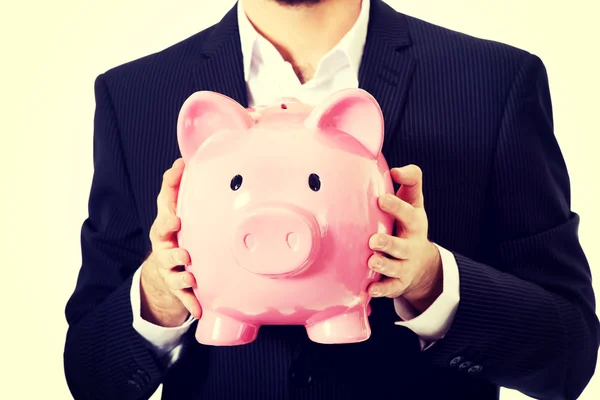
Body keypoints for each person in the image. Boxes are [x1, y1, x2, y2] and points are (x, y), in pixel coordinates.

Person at [63, 0, 600, 399]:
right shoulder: (135, 95)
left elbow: (569, 356)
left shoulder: (492, 84)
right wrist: (158, 293)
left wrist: (431, 282)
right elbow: (90, 375)